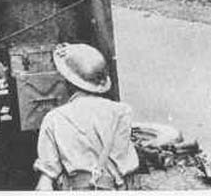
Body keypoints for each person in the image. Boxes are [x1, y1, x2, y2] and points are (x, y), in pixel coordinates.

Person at [33, 43, 139, 190]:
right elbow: (126, 167)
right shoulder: (121, 112)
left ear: (67, 82)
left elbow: (45, 181)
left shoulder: (54, 119)